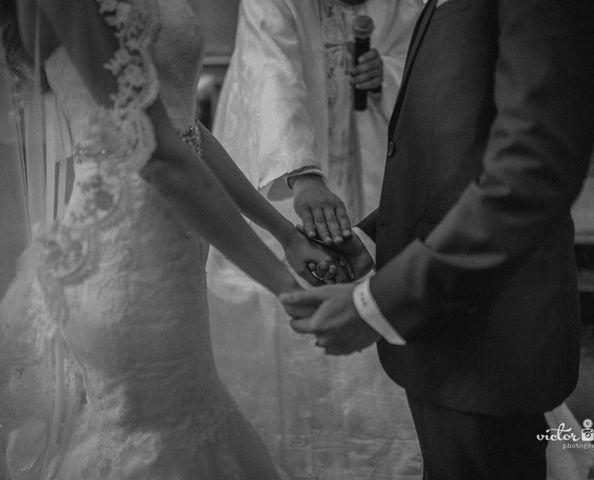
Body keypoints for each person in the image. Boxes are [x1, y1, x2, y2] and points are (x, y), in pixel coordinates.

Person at [282, 0, 594, 479]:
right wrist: (372, 240)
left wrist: (379, 304)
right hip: (448, 328)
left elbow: (531, 170)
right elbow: (462, 146)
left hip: (490, 329)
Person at [0, 0, 346, 478]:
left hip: (176, 252)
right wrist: (281, 284)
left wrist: (284, 234)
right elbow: (161, 155)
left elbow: (183, 130)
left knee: (192, 424)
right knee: (148, 440)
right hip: (122, 263)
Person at [206, 0, 424, 476]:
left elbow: (431, 59)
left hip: (376, 160)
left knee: (381, 273)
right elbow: (271, 76)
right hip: (282, 167)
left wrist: (384, 73)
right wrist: (303, 176)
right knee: (281, 295)